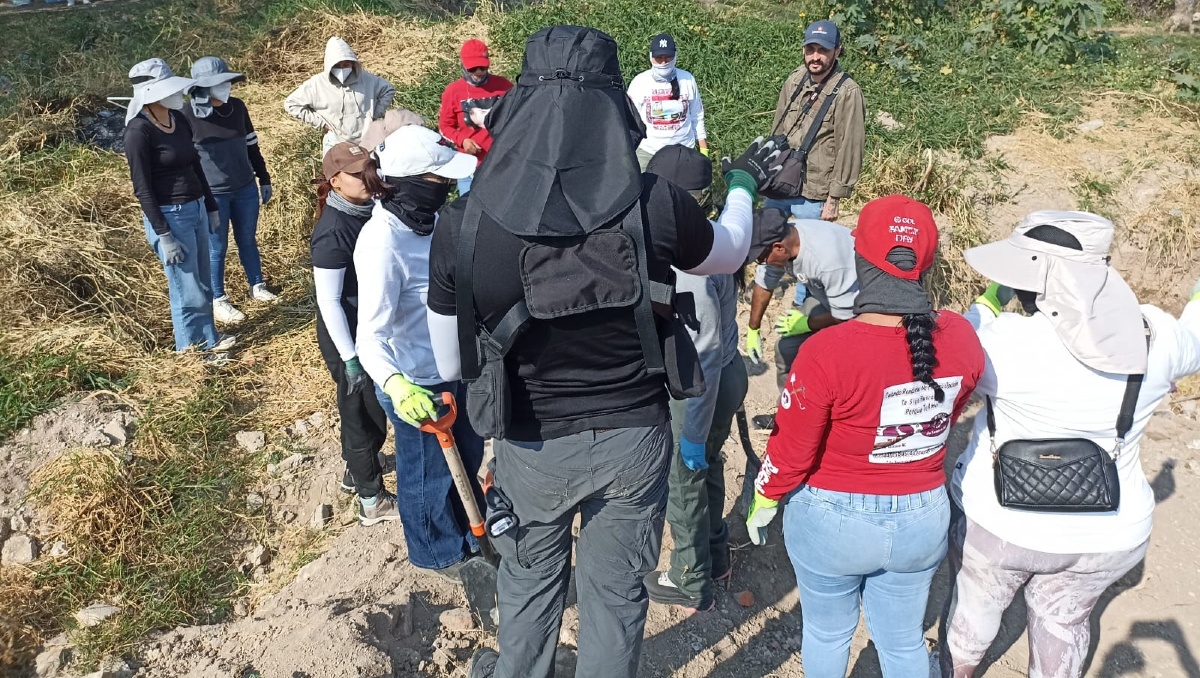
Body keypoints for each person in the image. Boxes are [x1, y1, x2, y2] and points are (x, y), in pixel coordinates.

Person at [422, 25, 783, 678]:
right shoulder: (655, 205)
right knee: (615, 600)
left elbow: (450, 365)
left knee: (530, 586)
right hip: (634, 436)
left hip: (532, 444)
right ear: (618, 106)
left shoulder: (464, 223)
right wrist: (742, 187)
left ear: (520, 105)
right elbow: (730, 250)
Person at [941, 212, 1200, 678]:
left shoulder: (1000, 340)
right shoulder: (1156, 334)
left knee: (976, 608)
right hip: (1109, 532)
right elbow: (1195, 336)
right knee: (1065, 619)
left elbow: (958, 335)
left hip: (1000, 521)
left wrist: (992, 299)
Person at [746, 194, 985, 678]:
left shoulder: (826, 350)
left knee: (827, 633)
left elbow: (793, 447)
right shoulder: (960, 337)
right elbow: (953, 408)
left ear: (858, 256)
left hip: (832, 520)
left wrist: (766, 494)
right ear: (927, 262)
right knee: (901, 642)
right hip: (922, 515)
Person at [353, 124, 485, 572]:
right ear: (406, 184)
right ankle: (436, 555)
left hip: (454, 369)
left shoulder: (430, 224)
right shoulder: (382, 244)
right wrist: (397, 385)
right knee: (426, 476)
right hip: (416, 381)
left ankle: (472, 536)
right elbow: (368, 337)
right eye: (438, 180)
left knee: (467, 459)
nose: (447, 187)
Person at [640, 144, 746, 613]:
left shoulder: (688, 266)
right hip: (730, 371)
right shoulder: (716, 237)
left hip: (701, 386)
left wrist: (692, 433)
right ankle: (717, 550)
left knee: (686, 476)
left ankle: (689, 577)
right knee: (710, 465)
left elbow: (699, 353)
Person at [123, 58, 234, 356]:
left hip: (195, 206)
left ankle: (209, 338)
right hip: (171, 215)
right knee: (187, 290)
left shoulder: (178, 119)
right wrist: (164, 235)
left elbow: (195, 164)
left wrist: (210, 206)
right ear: (151, 94)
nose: (177, 95)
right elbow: (142, 189)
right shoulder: (138, 132)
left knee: (202, 282)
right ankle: (192, 352)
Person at [310, 141, 392, 522]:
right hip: (345, 330)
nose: (369, 177)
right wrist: (350, 358)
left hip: (368, 324)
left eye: (371, 168)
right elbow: (328, 301)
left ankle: (353, 472)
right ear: (336, 181)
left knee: (370, 409)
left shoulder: (369, 209)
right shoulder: (333, 230)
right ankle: (371, 499)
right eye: (359, 174)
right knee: (361, 410)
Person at [744, 209, 860, 429]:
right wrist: (753, 329)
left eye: (761, 258)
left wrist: (806, 324)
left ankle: (831, 423)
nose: (761, 263)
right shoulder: (786, 243)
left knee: (832, 365)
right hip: (829, 303)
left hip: (860, 313)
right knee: (786, 348)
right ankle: (789, 416)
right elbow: (764, 284)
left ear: (779, 248)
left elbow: (846, 315)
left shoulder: (828, 259)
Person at [183, 56, 277, 327]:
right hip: (213, 194)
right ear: (203, 88)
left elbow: (251, 145)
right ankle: (218, 298)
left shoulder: (236, 107)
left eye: (227, 82)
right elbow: (185, 159)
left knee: (247, 238)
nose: (226, 87)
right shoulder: (188, 115)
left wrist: (264, 177)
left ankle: (257, 284)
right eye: (219, 83)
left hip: (245, 187)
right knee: (217, 247)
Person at [766, 19, 865, 221]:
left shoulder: (848, 92)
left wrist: (834, 198)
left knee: (808, 250)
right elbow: (777, 128)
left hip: (813, 193)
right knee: (765, 242)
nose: (815, 57)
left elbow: (850, 148)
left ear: (837, 51)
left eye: (823, 50)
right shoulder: (795, 79)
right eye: (810, 49)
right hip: (780, 181)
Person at [284, 36, 395, 156]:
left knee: (370, 173)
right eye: (338, 65)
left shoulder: (366, 79)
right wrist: (321, 123)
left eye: (346, 64)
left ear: (353, 64)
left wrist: (374, 114)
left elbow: (388, 90)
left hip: (368, 140)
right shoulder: (316, 84)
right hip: (335, 142)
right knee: (338, 174)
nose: (342, 69)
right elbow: (291, 104)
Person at [437, 39, 513, 196]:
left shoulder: (504, 87)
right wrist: (462, 140)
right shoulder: (453, 91)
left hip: (501, 164)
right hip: (470, 166)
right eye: (473, 69)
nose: (478, 73)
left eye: (482, 68)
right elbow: (445, 127)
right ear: (463, 65)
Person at [627, 33, 708, 170]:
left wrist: (704, 152)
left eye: (668, 57)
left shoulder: (687, 79)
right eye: (659, 58)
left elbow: (697, 116)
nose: (664, 62)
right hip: (648, 152)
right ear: (651, 57)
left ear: (675, 56)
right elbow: (629, 119)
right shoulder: (640, 82)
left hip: (684, 152)